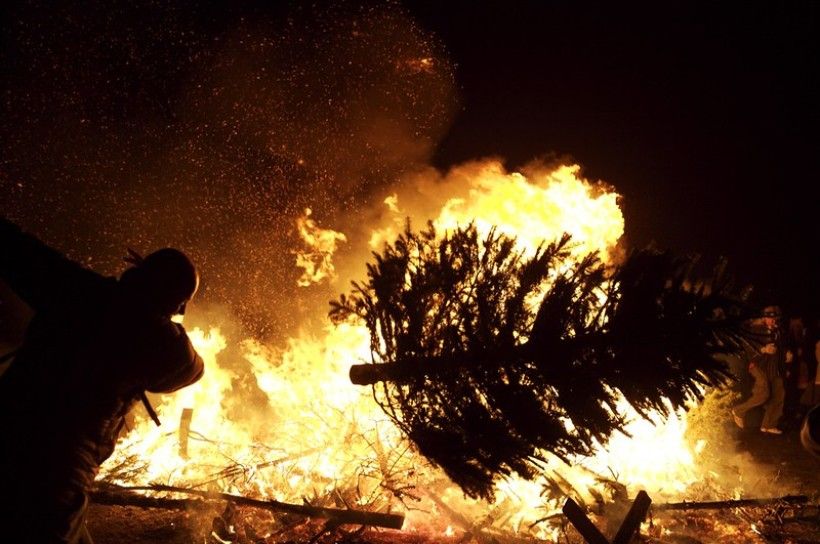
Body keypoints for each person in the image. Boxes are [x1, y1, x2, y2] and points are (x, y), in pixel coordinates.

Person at [0, 216, 204, 543]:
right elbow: (193, 368)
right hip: (56, 471)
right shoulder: (156, 337)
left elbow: (16, 247)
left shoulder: (74, 288)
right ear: (176, 302)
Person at [731, 305, 786, 434]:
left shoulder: (777, 331)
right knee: (763, 393)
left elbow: (780, 348)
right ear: (764, 317)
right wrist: (763, 349)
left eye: (775, 318)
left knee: (779, 394)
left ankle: (768, 425)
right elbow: (749, 348)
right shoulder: (756, 330)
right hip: (758, 365)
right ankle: (739, 410)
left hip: (773, 367)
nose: (773, 320)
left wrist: (786, 355)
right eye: (769, 318)